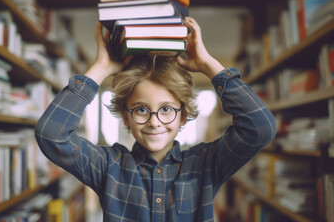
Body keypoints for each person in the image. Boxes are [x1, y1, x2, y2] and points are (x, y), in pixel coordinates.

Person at [35, 17, 276, 221]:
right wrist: (101, 68)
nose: (154, 121)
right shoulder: (107, 167)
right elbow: (51, 134)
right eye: (141, 110)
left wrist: (208, 65)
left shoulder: (205, 164)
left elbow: (260, 128)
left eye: (166, 109)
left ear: (182, 116)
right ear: (125, 117)